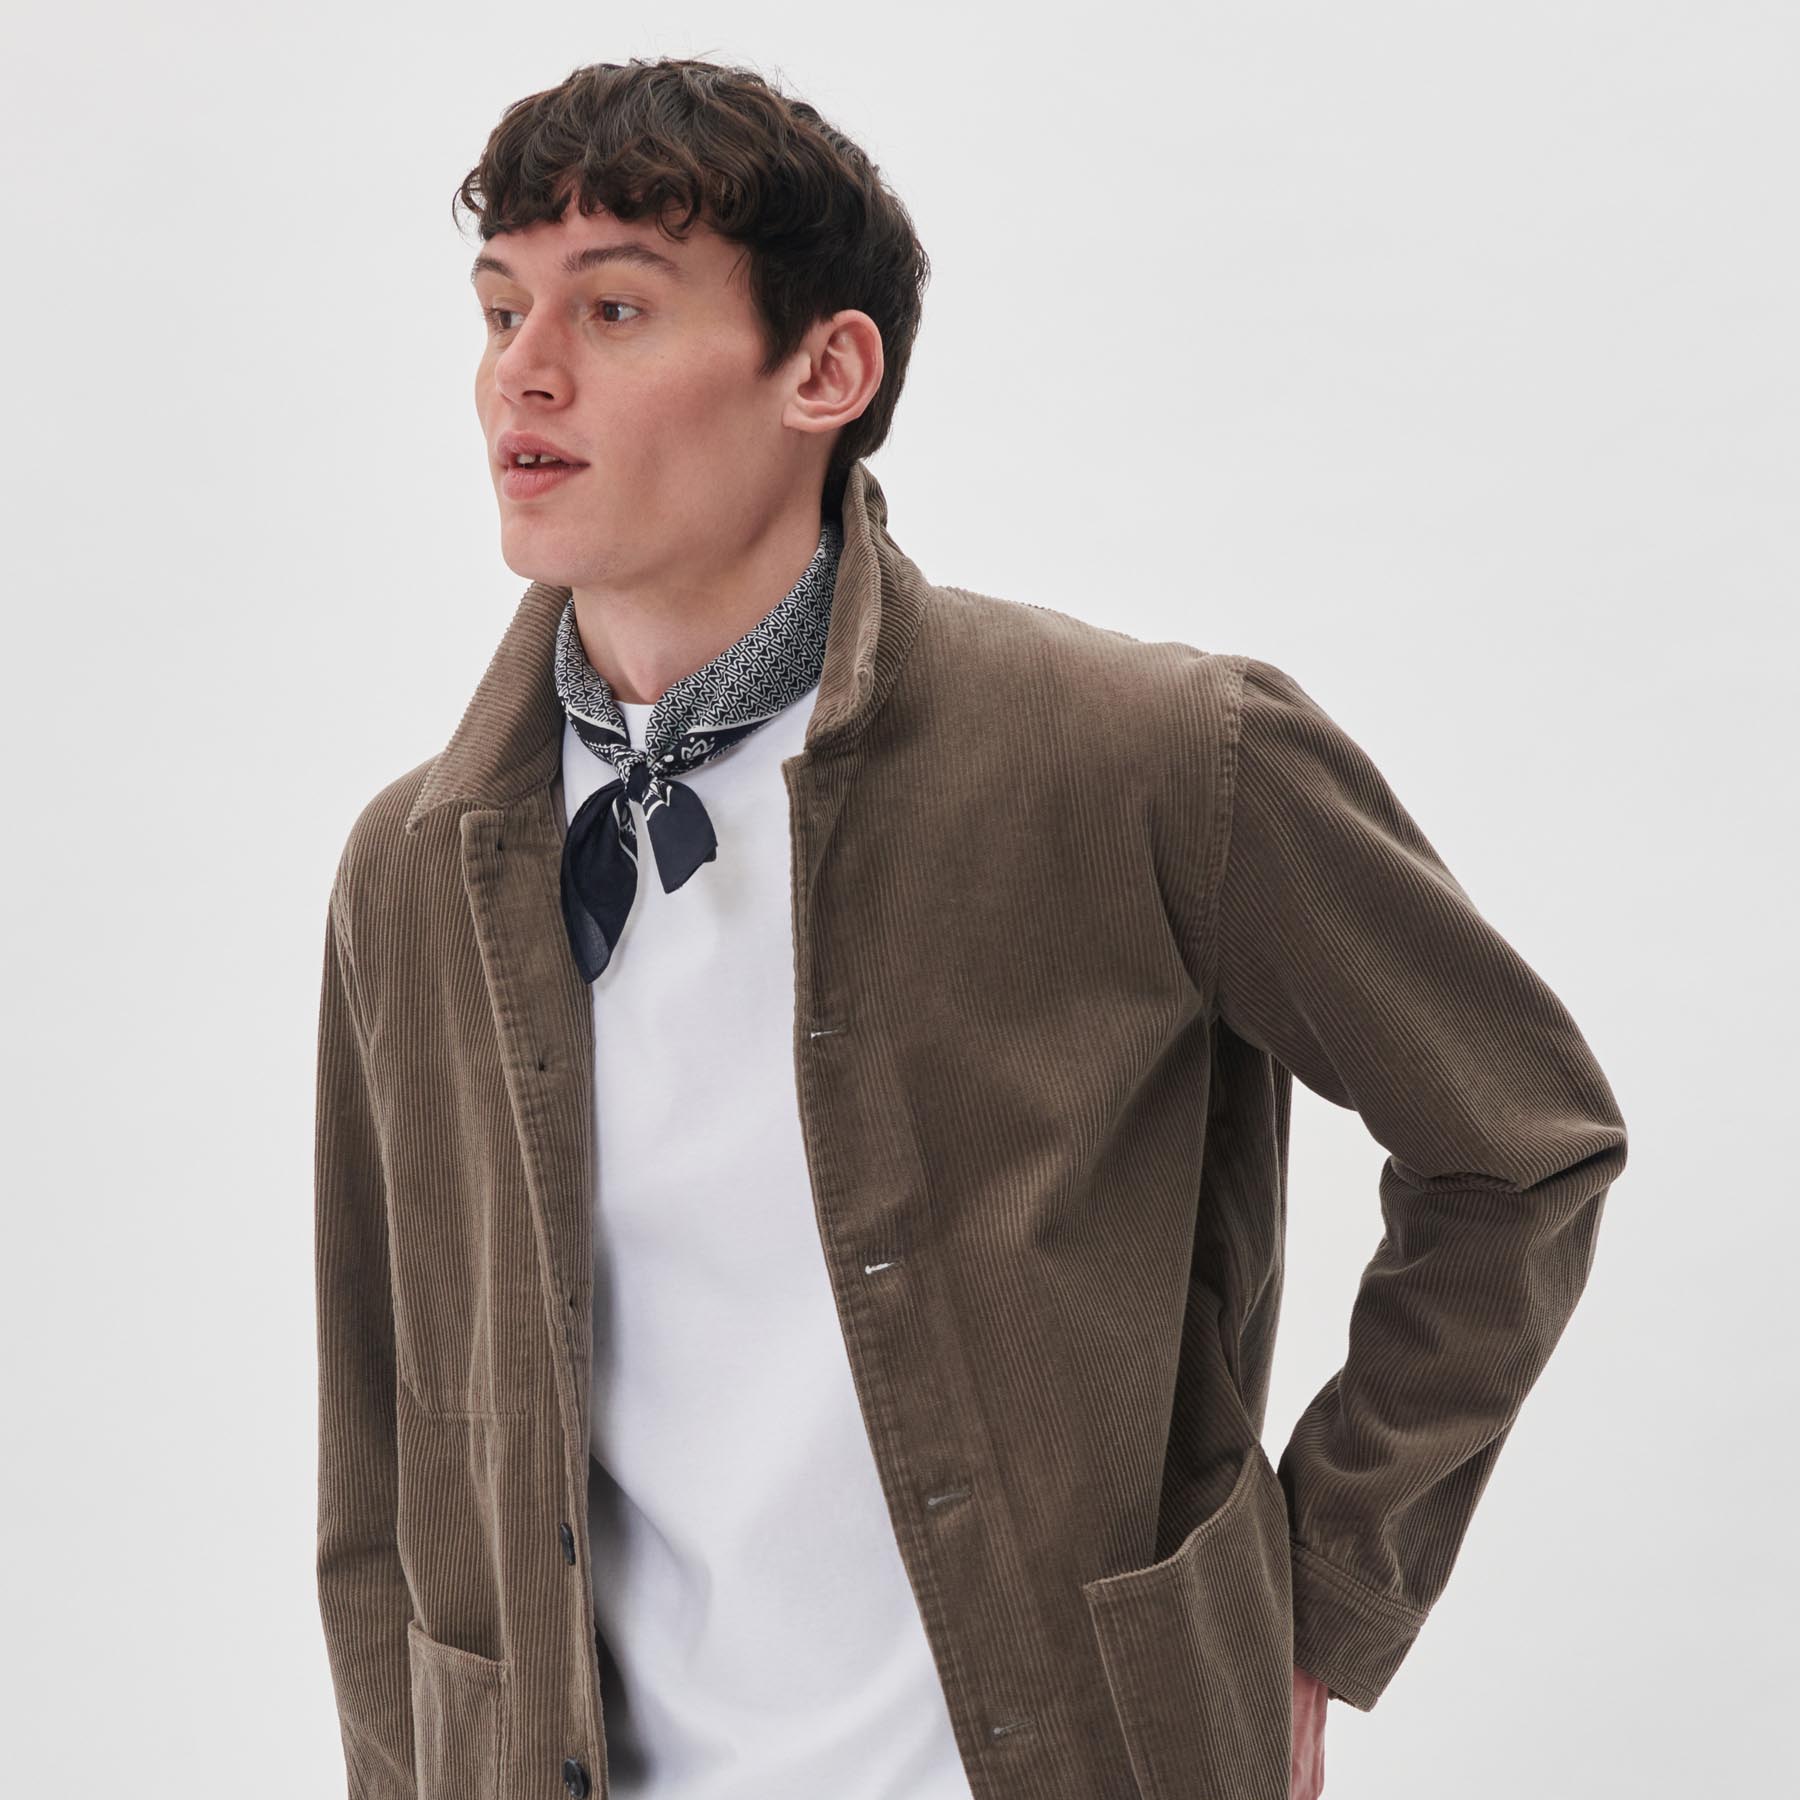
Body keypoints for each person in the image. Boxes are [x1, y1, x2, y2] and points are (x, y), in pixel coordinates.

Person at [313, 54, 1627, 1800]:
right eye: (499, 311)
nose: (522, 373)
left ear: (827, 371)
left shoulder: (1151, 756)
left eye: (612, 309)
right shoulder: (416, 867)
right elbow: (382, 1452)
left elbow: (1518, 1144)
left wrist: (1318, 1601)